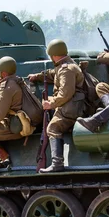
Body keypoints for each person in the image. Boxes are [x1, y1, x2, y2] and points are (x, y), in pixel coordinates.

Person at [28, 39, 85, 173]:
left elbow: (66, 93)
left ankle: (57, 163)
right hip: (71, 106)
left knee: (53, 128)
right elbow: (52, 74)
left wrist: (50, 104)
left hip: (70, 109)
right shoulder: (66, 65)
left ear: (53, 55)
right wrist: (36, 77)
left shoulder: (66, 70)